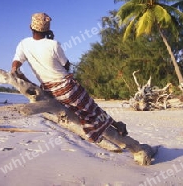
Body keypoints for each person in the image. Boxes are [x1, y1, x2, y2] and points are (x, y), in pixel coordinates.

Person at [11, 12, 128, 143]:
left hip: (49, 91)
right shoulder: (54, 44)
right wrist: (51, 39)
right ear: (48, 28)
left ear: (30, 27)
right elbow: (65, 65)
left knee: (86, 112)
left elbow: (16, 62)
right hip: (66, 88)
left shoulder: (23, 44)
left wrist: (16, 70)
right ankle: (116, 125)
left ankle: (110, 128)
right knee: (93, 109)